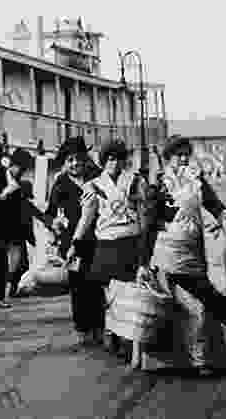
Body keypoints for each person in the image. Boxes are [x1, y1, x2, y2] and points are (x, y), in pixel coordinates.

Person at [147, 137, 226, 376]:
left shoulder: (197, 181)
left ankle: (211, 359)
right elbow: (148, 225)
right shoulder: (159, 185)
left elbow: (216, 206)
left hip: (195, 255)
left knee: (206, 306)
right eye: (179, 155)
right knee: (191, 309)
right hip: (168, 257)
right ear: (168, 159)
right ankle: (198, 361)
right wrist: (141, 262)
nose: (185, 159)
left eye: (187, 154)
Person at [68, 139, 153, 359]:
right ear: (104, 161)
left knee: (131, 293)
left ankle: (128, 338)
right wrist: (74, 244)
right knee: (110, 294)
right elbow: (86, 219)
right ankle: (113, 332)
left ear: (125, 160)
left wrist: (145, 248)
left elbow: (144, 217)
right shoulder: (93, 185)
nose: (114, 163)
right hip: (106, 244)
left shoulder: (136, 181)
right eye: (110, 159)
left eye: (118, 159)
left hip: (130, 242)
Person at [44, 136, 101, 348]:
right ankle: (83, 329)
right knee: (78, 286)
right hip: (72, 244)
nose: (75, 163)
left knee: (97, 284)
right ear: (64, 163)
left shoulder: (97, 178)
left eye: (78, 159)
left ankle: (100, 327)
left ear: (85, 159)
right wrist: (54, 223)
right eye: (70, 160)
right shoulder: (60, 183)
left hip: (98, 238)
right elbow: (49, 213)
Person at [0, 146, 42, 308]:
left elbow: (27, 206)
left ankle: (10, 289)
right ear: (13, 165)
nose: (21, 172)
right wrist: (3, 194)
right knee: (1, 262)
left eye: (24, 170)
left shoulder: (20, 184)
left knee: (18, 261)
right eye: (20, 169)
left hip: (15, 228)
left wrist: (46, 220)